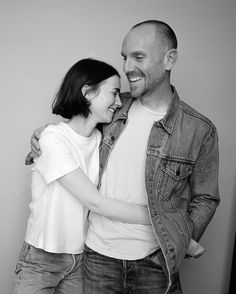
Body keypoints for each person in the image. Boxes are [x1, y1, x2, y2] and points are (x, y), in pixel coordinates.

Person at [28, 20, 220, 294]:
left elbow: (206, 198)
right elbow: (73, 134)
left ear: (170, 58)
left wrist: (181, 237)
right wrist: (42, 134)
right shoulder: (112, 109)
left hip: (156, 259)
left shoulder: (199, 130)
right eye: (125, 57)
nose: (128, 67)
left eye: (138, 57)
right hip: (97, 257)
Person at [14, 58, 151, 294]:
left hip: (82, 259)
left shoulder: (101, 139)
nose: (119, 102)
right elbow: (95, 202)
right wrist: (161, 220)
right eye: (114, 93)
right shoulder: (52, 138)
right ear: (87, 92)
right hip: (41, 261)